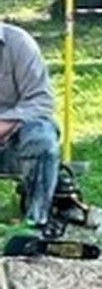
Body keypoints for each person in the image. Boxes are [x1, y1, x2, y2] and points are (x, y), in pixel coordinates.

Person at [0, 22, 60, 231]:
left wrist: (5, 124)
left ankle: (35, 223)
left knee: (41, 137)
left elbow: (41, 101)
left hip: (18, 134)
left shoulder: (18, 43)